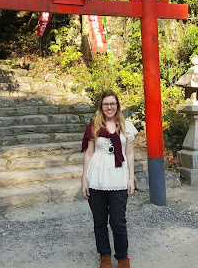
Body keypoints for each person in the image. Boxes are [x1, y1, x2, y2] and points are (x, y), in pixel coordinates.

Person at [81, 90, 138, 268]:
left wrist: (131, 177)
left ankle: (122, 256)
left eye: (112, 103)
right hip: (96, 176)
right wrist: (84, 179)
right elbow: (89, 153)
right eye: (106, 104)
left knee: (118, 221)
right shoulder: (94, 126)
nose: (109, 107)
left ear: (117, 105)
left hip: (118, 176)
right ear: (101, 106)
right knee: (99, 221)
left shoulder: (126, 126)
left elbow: (129, 152)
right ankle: (104, 255)